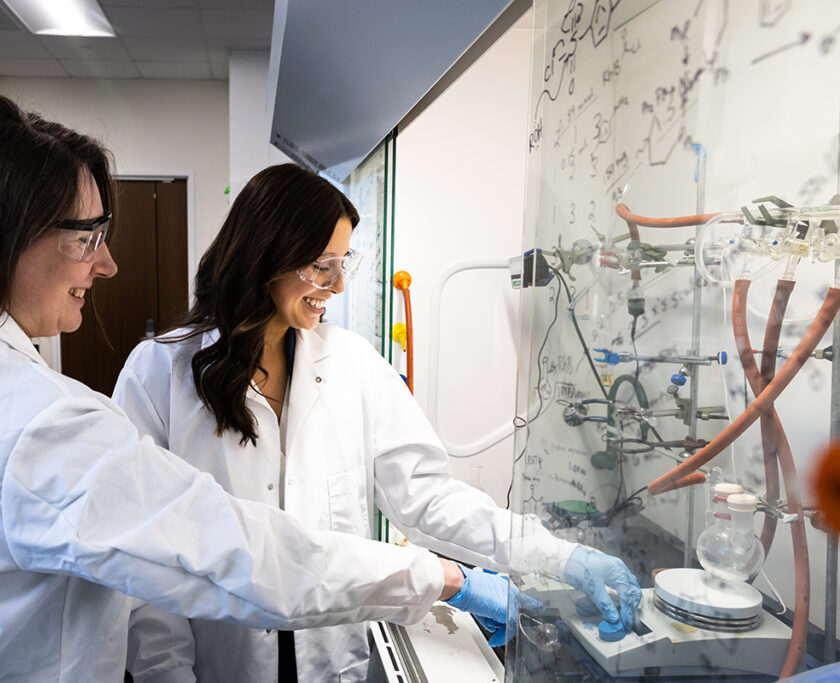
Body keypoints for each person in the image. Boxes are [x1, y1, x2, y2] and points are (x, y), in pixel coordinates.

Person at [0, 93, 513, 682]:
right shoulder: (37, 421)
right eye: (85, 237)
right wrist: (443, 578)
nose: (109, 263)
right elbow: (239, 556)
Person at [113, 163, 643, 683]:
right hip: (218, 664)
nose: (338, 285)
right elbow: (145, 560)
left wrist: (561, 556)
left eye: (344, 264)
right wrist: (169, 674)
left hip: (335, 659)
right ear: (267, 255)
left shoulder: (352, 364)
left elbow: (428, 498)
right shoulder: (159, 373)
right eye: (324, 265)